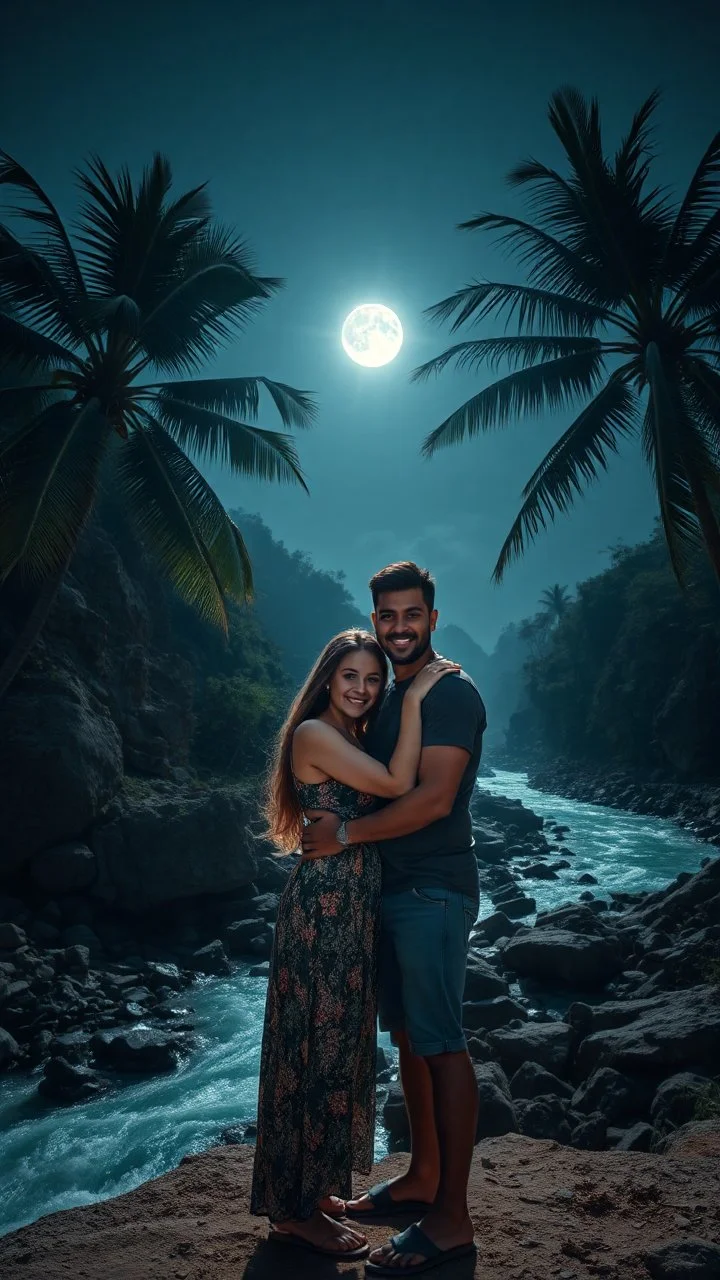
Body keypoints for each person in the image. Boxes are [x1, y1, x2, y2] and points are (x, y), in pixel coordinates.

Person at [301, 562, 487, 1277]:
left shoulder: (450, 694)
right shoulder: (397, 692)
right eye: (388, 617)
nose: (400, 628)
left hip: (434, 891)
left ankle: (452, 1221)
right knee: (409, 1036)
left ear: (432, 619)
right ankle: (423, 1179)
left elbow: (433, 800)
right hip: (394, 890)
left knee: (441, 1044)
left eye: (412, 615)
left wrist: (345, 838)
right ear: (374, 619)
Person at [250, 628, 458, 1261]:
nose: (364, 690)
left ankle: (307, 1195)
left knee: (332, 1051)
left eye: (374, 679)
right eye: (352, 678)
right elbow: (399, 784)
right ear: (327, 680)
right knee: (308, 1052)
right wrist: (416, 695)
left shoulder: (348, 736)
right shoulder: (316, 733)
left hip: (349, 911)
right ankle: (293, 1216)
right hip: (323, 912)